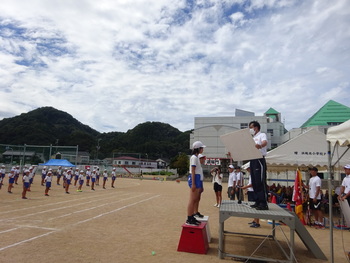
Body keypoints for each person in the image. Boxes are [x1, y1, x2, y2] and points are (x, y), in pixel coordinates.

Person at [249, 121, 268, 210]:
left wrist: (260, 146)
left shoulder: (262, 135)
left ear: (256, 127)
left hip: (259, 159)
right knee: (254, 181)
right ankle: (257, 201)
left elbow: (265, 142)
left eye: (251, 127)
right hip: (252, 159)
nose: (250, 129)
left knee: (260, 181)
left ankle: (263, 203)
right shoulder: (252, 138)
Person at [186, 141, 206, 226]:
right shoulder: (194, 157)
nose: (203, 149)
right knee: (192, 200)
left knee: (194, 199)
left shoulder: (196, 157)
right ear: (198, 148)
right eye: (202, 148)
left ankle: (192, 216)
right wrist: (193, 184)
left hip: (197, 178)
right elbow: (193, 171)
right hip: (194, 178)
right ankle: (189, 218)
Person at [193, 154, 206, 219]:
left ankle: (196, 211)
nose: (203, 160)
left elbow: (201, 178)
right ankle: (194, 212)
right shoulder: (197, 166)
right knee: (195, 198)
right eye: (202, 158)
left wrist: (202, 186)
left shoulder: (200, 167)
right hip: (197, 182)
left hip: (200, 182)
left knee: (198, 198)